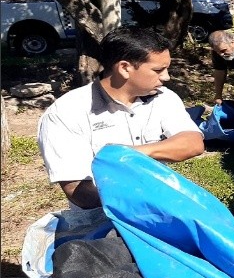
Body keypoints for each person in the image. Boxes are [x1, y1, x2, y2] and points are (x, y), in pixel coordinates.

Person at [37, 26, 205, 210]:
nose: (166, 77)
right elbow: (78, 191)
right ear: (124, 68)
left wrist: (125, 154)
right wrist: (139, 204)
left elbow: (193, 143)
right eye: (159, 70)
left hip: (160, 207)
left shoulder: (163, 98)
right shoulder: (66, 112)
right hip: (103, 217)